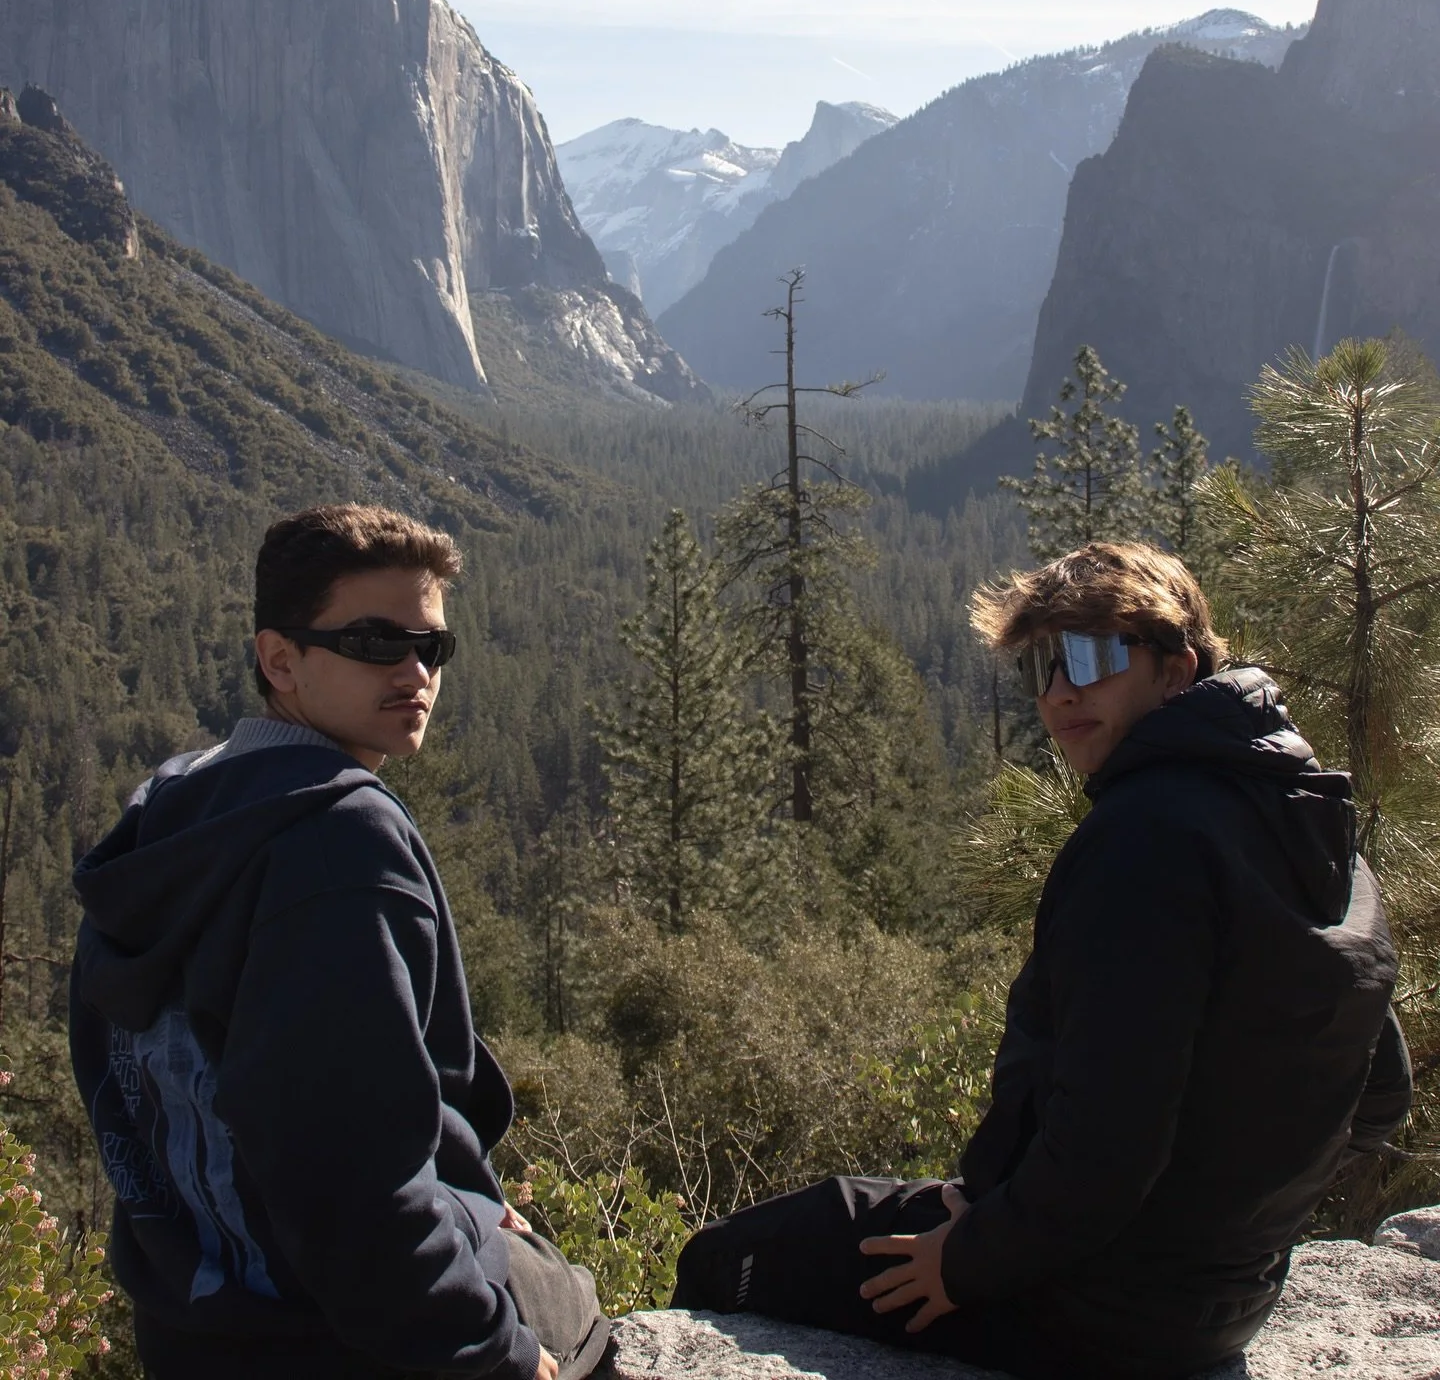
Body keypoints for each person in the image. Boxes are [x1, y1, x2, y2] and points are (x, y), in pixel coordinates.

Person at [671, 541, 1412, 1380]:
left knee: (727, 1259)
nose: (1062, 692)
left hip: (1086, 1306)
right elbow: (1378, 1096)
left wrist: (970, 1258)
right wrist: (1222, 1220)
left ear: (1176, 670)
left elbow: (1109, 1148)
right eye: (1046, 664)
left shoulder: (1144, 839)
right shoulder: (1307, 818)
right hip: (1226, 1304)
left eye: (1095, 656)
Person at [69, 503, 609, 1380]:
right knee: (575, 1302)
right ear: (279, 658)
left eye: (432, 648)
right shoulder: (340, 842)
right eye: (372, 642)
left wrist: (466, 1192)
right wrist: (496, 1358)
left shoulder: (170, 811)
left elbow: (127, 1092)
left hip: (192, 1327)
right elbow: (354, 1201)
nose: (413, 671)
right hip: (333, 1341)